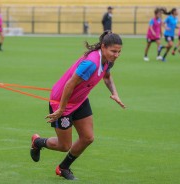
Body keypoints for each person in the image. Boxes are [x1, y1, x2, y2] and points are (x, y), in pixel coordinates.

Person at [30, 31, 126, 180]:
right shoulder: (91, 64)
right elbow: (69, 85)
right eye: (113, 51)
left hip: (80, 100)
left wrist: (115, 93)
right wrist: (62, 109)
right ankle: (37, 142)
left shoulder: (108, 60)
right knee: (64, 146)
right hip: (62, 101)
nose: (116, 55)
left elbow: (107, 76)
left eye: (119, 51)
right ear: (103, 47)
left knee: (88, 138)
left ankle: (63, 168)